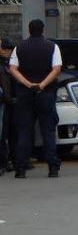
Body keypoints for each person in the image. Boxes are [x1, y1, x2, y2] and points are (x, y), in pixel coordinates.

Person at [8, 20, 63, 178]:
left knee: (24, 130)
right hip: (45, 93)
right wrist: (42, 84)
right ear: (43, 30)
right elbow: (57, 69)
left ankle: (21, 169)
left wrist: (28, 84)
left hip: (25, 93)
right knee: (48, 130)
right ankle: (53, 167)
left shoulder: (19, 47)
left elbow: (13, 69)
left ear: (29, 30)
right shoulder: (52, 47)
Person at [0, 38, 15, 174]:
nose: (7, 51)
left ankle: (5, 162)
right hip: (5, 101)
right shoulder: (4, 64)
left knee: (4, 133)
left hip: (6, 101)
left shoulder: (7, 63)